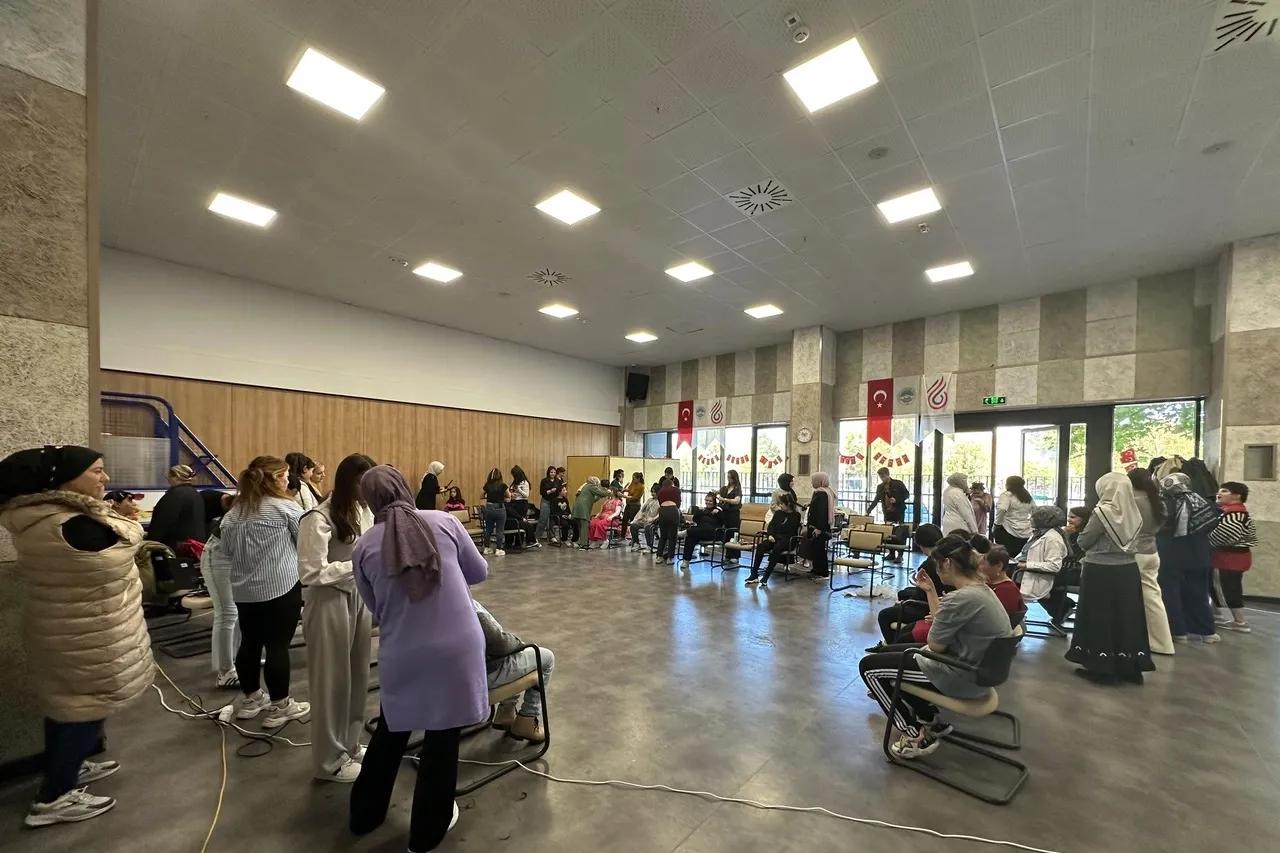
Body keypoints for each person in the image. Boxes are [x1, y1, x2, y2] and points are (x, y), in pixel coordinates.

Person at [0, 446, 154, 828]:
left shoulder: (42, 517)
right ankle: (54, 797)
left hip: (70, 628)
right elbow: (127, 542)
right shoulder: (68, 524)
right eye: (96, 471)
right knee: (85, 708)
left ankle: (65, 767)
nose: (105, 478)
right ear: (63, 480)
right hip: (87, 634)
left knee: (67, 706)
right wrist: (119, 518)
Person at [350, 466, 488, 851]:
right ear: (405, 488)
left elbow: (375, 607)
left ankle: (364, 816)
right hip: (456, 646)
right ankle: (426, 833)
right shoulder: (445, 522)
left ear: (369, 501)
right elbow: (479, 572)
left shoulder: (364, 547)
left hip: (403, 650)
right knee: (442, 738)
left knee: (391, 730)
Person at [859, 534, 1014, 759]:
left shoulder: (960, 598)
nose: (936, 570)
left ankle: (914, 735)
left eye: (936, 563)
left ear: (947, 563)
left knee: (869, 668)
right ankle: (930, 718)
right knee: (887, 653)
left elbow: (935, 644)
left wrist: (936, 624)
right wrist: (930, 591)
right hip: (977, 670)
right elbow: (941, 624)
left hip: (960, 675)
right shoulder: (981, 590)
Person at [298, 454, 377, 783]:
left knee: (358, 675)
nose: (368, 489)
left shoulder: (364, 510)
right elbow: (310, 572)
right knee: (332, 682)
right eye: (362, 482)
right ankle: (328, 761)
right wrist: (359, 565)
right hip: (328, 600)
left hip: (357, 596)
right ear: (349, 482)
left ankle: (350, 744)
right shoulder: (318, 517)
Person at [219, 456, 310, 726]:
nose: (288, 481)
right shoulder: (286, 508)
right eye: (285, 476)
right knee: (277, 646)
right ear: (275, 479)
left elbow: (227, 552)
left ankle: (251, 699)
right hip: (280, 587)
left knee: (249, 643)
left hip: (244, 590)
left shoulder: (233, 513)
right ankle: (280, 705)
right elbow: (305, 543)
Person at [1065, 472, 1154, 685]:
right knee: (1127, 617)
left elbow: (1085, 541)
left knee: (1099, 616)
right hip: (1128, 570)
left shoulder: (1103, 512)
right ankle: (1130, 667)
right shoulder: (1134, 510)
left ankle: (1101, 667)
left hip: (1100, 570)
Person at [474, 600, 553, 743]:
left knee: (514, 655)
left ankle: (506, 712)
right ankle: (527, 719)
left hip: (450, 679)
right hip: (481, 676)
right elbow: (500, 644)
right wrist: (518, 643)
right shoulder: (466, 606)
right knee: (546, 658)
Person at [1156, 473, 1220, 644]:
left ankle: (1178, 632)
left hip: (1169, 555)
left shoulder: (1163, 506)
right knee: (1199, 593)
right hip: (1199, 555)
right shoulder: (1205, 504)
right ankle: (1206, 631)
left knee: (1170, 594)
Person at [1128, 468, 1173, 655]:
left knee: (1128, 598)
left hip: (1133, 554)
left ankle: (1131, 639)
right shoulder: (1158, 502)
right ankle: (1163, 643)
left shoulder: (1131, 502)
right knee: (1153, 599)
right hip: (1152, 552)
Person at [1210, 481, 1257, 634]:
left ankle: (1239, 622)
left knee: (1229, 589)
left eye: (1224, 491)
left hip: (1228, 559)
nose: (1219, 493)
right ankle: (1216, 616)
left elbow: (1219, 538)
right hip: (1234, 558)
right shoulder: (1236, 512)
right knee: (1221, 587)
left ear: (1237, 496)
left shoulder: (1233, 515)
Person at [200, 515, 239, 689]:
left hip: (236, 554)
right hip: (220, 555)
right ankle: (225, 672)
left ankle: (235, 660)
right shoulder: (245, 505)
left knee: (237, 611)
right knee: (227, 613)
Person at [1011, 506, 1068, 617]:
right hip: (1021, 572)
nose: (1029, 519)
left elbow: (1054, 566)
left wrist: (1025, 565)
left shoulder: (1052, 539)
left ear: (1043, 520)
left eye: (1033, 517)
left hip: (1034, 578)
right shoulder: (1038, 534)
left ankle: (1012, 618)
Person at [146, 464, 207, 553]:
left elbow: (162, 522)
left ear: (176, 477)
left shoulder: (175, 495)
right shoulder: (195, 493)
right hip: (194, 544)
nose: (168, 480)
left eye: (169, 477)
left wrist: (149, 543)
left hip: (178, 545)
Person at [746, 490, 801, 587]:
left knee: (777, 547)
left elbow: (790, 531)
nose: (780, 506)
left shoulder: (796, 515)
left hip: (787, 540)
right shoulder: (778, 513)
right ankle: (754, 574)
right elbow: (771, 526)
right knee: (761, 546)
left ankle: (766, 576)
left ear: (788, 504)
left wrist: (777, 536)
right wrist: (770, 535)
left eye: (782, 504)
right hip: (775, 538)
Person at [980, 546, 1026, 627]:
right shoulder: (988, 584)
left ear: (999, 566)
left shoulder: (1008, 592)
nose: (979, 567)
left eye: (982, 563)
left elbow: (994, 621)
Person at [993, 476, 1035, 556]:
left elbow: (1002, 509)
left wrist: (997, 524)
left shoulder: (1007, 495)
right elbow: (1035, 510)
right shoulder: (1027, 497)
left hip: (1007, 529)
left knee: (1006, 555)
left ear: (1008, 484)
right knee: (1020, 556)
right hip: (1025, 531)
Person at [680, 493, 723, 568]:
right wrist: (699, 512)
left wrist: (718, 513)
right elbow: (695, 519)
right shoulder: (703, 511)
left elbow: (724, 521)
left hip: (713, 533)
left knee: (702, 528)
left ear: (714, 502)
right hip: (700, 533)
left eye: (710, 501)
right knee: (691, 537)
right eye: (707, 500)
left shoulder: (718, 511)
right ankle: (685, 561)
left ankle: (686, 532)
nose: (708, 502)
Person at [806, 472, 836, 578]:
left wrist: (819, 528)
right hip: (819, 526)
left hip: (819, 527)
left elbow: (822, 512)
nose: (811, 482)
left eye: (813, 480)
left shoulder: (822, 493)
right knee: (816, 548)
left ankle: (822, 572)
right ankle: (816, 569)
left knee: (819, 549)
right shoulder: (825, 491)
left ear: (819, 481)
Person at [572, 477, 612, 551]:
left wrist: (599, 496)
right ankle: (584, 545)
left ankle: (581, 543)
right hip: (583, 509)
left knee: (581, 526)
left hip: (577, 509)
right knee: (584, 526)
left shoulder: (585, 487)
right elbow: (602, 493)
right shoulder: (591, 486)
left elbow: (592, 499)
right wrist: (608, 492)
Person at [480, 468, 508, 557]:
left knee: (488, 529)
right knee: (499, 530)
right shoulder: (503, 485)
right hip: (499, 508)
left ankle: (486, 548)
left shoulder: (487, 485)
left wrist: (489, 497)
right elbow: (509, 496)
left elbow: (481, 496)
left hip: (489, 507)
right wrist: (501, 497)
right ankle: (499, 549)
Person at [655, 477, 682, 564]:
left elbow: (660, 503)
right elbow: (678, 504)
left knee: (663, 536)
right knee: (672, 536)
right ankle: (670, 558)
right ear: (672, 484)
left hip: (662, 511)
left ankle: (659, 556)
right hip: (673, 511)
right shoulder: (677, 490)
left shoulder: (660, 491)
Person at [508, 466, 536, 548]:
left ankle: (519, 542)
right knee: (514, 521)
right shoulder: (515, 482)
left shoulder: (525, 482)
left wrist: (519, 490)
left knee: (520, 521)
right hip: (514, 502)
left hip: (522, 504)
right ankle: (511, 542)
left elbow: (526, 495)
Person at [718, 470, 744, 561]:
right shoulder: (725, 488)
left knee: (734, 534)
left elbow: (736, 501)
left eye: (730, 477)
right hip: (725, 513)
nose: (728, 479)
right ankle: (728, 554)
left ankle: (735, 555)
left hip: (733, 515)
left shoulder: (737, 489)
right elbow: (719, 495)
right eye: (728, 477)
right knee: (726, 534)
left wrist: (724, 499)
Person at [631, 483, 660, 552]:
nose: (652, 494)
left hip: (654, 522)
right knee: (633, 526)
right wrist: (639, 517)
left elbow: (660, 514)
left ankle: (649, 546)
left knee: (648, 527)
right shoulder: (649, 500)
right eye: (652, 492)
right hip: (645, 520)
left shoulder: (661, 502)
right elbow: (642, 510)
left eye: (654, 492)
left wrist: (653, 519)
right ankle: (636, 544)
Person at [535, 466, 560, 543]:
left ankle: (552, 536)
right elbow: (542, 492)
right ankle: (537, 536)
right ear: (548, 472)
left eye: (554, 472)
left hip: (554, 502)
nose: (553, 474)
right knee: (543, 519)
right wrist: (550, 491)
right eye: (551, 472)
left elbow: (559, 491)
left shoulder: (557, 481)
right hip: (545, 501)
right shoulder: (544, 480)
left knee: (552, 519)